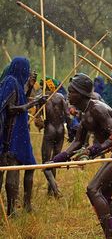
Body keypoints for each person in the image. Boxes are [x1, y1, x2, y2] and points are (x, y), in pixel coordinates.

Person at [49, 73, 112, 238]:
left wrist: (92, 151)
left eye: (72, 92)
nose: (68, 95)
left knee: (93, 189)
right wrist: (58, 159)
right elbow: (77, 142)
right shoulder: (85, 113)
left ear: (82, 93)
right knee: (103, 194)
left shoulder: (98, 108)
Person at [0, 57, 46, 215]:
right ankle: (11, 211)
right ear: (21, 68)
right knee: (13, 168)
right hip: (11, 136)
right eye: (26, 69)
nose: (27, 73)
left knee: (28, 166)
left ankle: (25, 205)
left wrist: (29, 88)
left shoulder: (16, 83)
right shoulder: (10, 82)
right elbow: (11, 109)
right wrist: (32, 104)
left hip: (20, 134)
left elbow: (20, 99)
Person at [35, 77, 70, 197]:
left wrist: (39, 122)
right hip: (60, 130)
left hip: (49, 130)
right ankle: (51, 191)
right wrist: (70, 132)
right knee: (55, 161)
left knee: (46, 162)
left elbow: (37, 117)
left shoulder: (42, 99)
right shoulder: (60, 97)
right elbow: (68, 115)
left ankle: (54, 189)